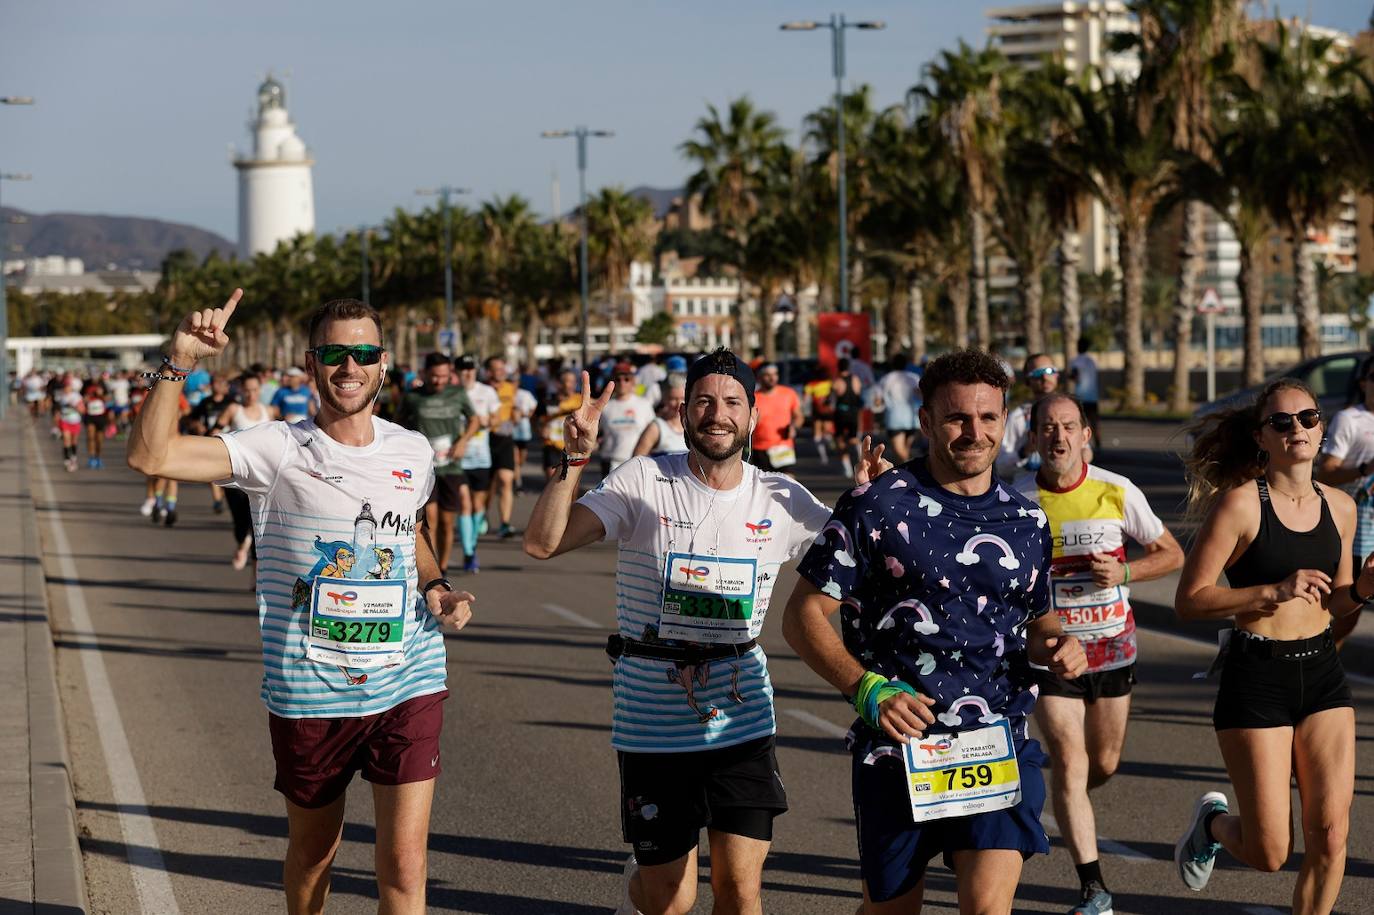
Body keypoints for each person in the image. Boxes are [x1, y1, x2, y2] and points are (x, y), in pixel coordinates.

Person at [127, 290, 474, 915]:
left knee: (404, 863)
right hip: (310, 689)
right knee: (315, 854)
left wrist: (436, 586)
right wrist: (177, 362)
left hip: (409, 676)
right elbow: (151, 455)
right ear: (312, 365)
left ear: (384, 364)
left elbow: (409, 533)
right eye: (335, 353)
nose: (350, 366)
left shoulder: (411, 450)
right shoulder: (276, 448)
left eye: (364, 352)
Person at [524, 349, 859, 915]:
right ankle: (644, 884)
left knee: (739, 888)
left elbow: (859, 567)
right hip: (653, 719)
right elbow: (543, 542)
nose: (717, 413)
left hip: (742, 709)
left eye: (732, 402)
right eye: (704, 401)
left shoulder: (781, 498)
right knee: (670, 899)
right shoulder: (644, 478)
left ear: (752, 416)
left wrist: (869, 508)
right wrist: (574, 459)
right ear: (683, 413)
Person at [782, 348, 1087, 915]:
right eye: (957, 418)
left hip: (995, 741)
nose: (975, 432)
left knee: (987, 908)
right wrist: (865, 688)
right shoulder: (875, 507)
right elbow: (802, 615)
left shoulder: (1028, 521)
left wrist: (1060, 644)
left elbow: (1038, 621)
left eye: (988, 418)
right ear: (925, 421)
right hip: (899, 749)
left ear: (1005, 421)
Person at [1174, 378, 1358, 911]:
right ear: (1262, 437)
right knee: (1270, 852)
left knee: (1330, 835)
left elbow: (1338, 602)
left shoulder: (1340, 507)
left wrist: (1364, 589)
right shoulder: (1240, 506)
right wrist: (1268, 592)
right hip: (1256, 679)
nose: (1295, 429)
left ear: (1321, 429)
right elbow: (1190, 599)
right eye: (1281, 422)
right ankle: (1211, 823)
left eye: (1306, 418)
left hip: (1322, 672)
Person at [1014, 392, 1184, 915]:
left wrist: (1126, 571)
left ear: (1086, 435)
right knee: (1069, 760)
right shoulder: (1018, 498)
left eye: (1068, 426)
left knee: (1102, 763)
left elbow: (1172, 553)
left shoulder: (1116, 489)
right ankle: (1094, 889)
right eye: (1047, 427)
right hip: (1052, 651)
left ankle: (1070, 799)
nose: (1058, 437)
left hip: (1113, 646)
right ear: (1034, 437)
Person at [395, 353, 479, 574]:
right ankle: (430, 569)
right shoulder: (413, 396)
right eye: (434, 376)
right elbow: (398, 425)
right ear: (425, 373)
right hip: (424, 469)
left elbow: (475, 419)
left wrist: (462, 441)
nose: (439, 381)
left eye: (443, 376)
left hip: (450, 465)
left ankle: (443, 566)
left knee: (446, 521)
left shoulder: (457, 393)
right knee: (429, 518)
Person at [1315, 351, 1374, 647]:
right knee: (1345, 617)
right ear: (1364, 383)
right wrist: (1367, 468)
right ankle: (1318, 665)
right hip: (1355, 536)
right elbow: (1325, 473)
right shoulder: (1349, 420)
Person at [213, 372, 278, 570]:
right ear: (241, 390)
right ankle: (243, 542)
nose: (251, 394)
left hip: (262, 475)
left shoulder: (269, 411)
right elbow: (215, 431)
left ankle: (256, 573)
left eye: (255, 390)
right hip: (236, 475)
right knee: (240, 521)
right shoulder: (234, 410)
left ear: (260, 390)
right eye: (247, 390)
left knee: (259, 521)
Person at [454, 355, 499, 573]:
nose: (467, 372)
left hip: (481, 457)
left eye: (471, 368)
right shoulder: (452, 394)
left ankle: (471, 546)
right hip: (457, 458)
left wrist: (486, 421)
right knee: (464, 503)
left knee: (478, 505)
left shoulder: (487, 392)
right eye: (463, 369)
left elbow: (497, 419)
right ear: (457, 372)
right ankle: (469, 551)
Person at [996, 354, 1067, 481]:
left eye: (1049, 371)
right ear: (1028, 381)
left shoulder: (1071, 412)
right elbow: (1001, 467)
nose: (1045, 377)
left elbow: (1085, 452)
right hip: (1028, 494)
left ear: (1057, 375)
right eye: (1038, 373)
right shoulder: (1017, 417)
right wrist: (1024, 451)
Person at [483, 356, 521, 539]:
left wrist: (517, 414)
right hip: (484, 439)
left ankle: (505, 523)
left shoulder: (511, 388)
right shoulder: (481, 389)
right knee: (488, 485)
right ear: (488, 372)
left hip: (505, 438)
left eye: (502, 368)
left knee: (506, 479)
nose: (500, 372)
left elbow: (516, 408)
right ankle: (482, 514)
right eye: (496, 369)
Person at [598, 361, 655, 477]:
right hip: (611, 461)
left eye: (626, 379)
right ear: (613, 382)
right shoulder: (604, 406)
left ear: (633, 381)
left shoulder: (644, 404)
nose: (622, 383)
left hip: (638, 462)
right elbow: (597, 433)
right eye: (618, 379)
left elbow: (653, 433)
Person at [749, 363, 804, 475]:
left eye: (775, 374)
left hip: (783, 447)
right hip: (760, 448)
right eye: (767, 375)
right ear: (759, 377)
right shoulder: (753, 398)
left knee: (788, 481)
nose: (772, 378)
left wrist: (794, 427)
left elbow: (798, 416)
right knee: (765, 486)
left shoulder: (788, 393)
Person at [874, 352, 923, 463]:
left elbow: (877, 401)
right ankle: (906, 473)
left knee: (899, 450)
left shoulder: (886, 379)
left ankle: (909, 472)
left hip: (894, 419)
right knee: (905, 449)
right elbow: (921, 395)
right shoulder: (913, 378)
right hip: (912, 419)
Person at [540, 369, 584, 480]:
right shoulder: (548, 401)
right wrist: (540, 429)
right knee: (553, 483)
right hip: (552, 445)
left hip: (573, 446)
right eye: (568, 381)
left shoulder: (581, 400)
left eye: (573, 381)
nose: (571, 385)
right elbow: (535, 419)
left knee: (572, 486)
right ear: (559, 383)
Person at [632, 375, 687, 457]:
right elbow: (636, 461)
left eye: (682, 398)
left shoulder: (692, 425)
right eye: (673, 399)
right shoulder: (656, 427)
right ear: (664, 398)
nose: (678, 404)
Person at [830, 364, 864, 479]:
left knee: (840, 440)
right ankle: (862, 459)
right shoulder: (856, 380)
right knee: (854, 438)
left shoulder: (837, 381)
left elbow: (831, 398)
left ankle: (847, 468)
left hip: (841, 412)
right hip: (853, 412)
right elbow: (859, 395)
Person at [1067, 338, 1100, 446]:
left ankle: (1083, 444)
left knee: (1080, 421)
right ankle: (1098, 442)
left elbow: (1075, 376)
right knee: (1094, 420)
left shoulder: (1076, 361)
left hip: (1081, 396)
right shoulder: (1092, 360)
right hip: (1093, 395)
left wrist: (1069, 376)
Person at [55, 378, 85, 472]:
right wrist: (56, 420)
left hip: (75, 421)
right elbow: (57, 410)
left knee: (74, 442)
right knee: (66, 440)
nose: (66, 389)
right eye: (65, 387)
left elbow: (83, 410)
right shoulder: (60, 396)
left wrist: (75, 406)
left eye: (68, 387)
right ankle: (67, 460)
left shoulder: (77, 396)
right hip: (65, 421)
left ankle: (73, 458)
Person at [82, 378, 111, 469]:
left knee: (99, 439)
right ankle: (91, 458)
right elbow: (81, 399)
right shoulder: (86, 385)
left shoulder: (103, 386)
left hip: (100, 416)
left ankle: (98, 457)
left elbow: (108, 399)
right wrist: (86, 398)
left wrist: (101, 395)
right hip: (90, 415)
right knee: (90, 437)